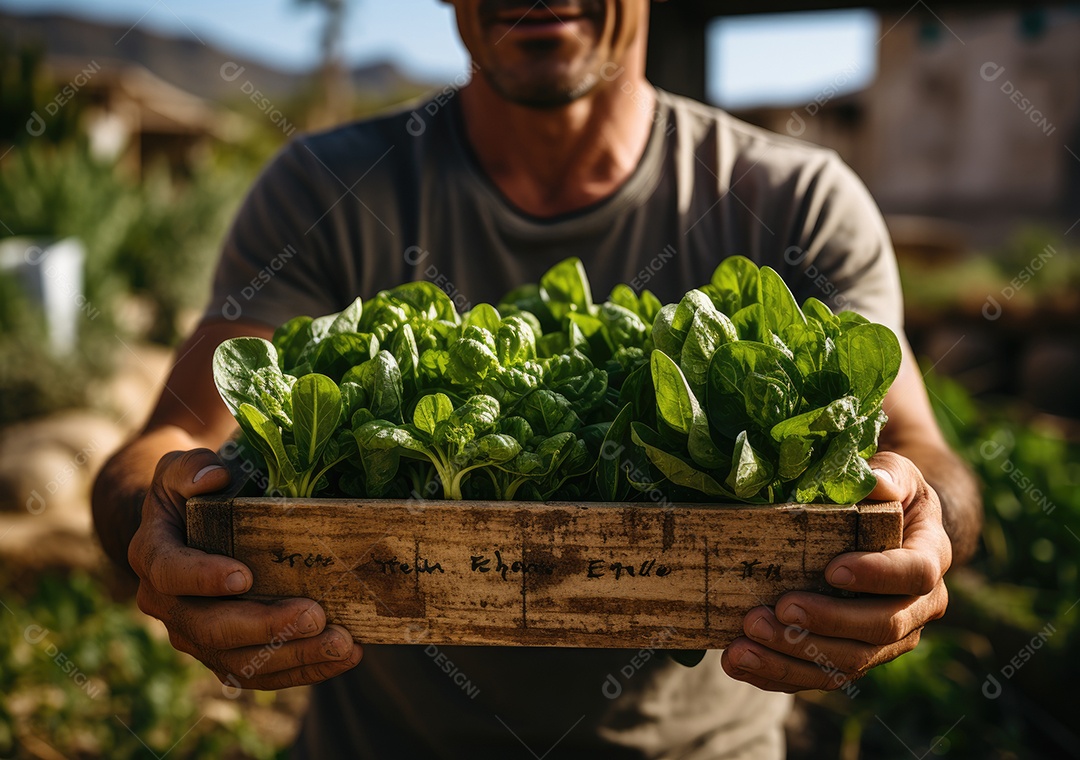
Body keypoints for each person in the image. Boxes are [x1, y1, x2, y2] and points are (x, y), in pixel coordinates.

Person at [92, 1, 983, 757]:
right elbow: (164, 447)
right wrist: (161, 527)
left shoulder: (796, 198)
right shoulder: (326, 186)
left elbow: (918, 453)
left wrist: (922, 527)